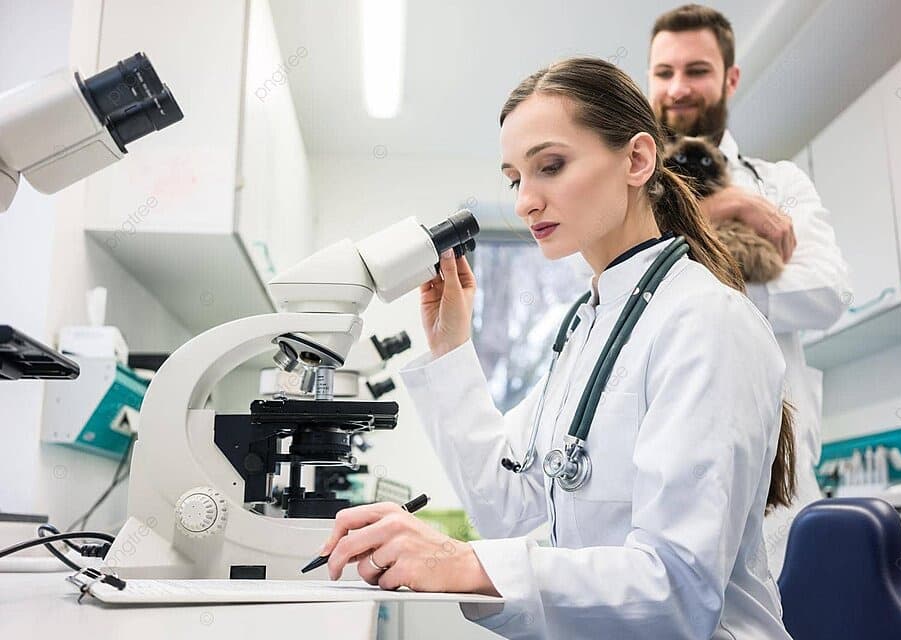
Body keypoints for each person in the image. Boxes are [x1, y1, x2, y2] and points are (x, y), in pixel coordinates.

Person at [317, 57, 796, 639]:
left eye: (551, 166)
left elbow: (676, 589)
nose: (525, 202)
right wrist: (450, 350)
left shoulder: (706, 321)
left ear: (637, 160)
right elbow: (509, 511)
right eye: (515, 179)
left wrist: (460, 562)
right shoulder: (588, 328)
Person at [647, 4, 849, 576]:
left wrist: (705, 284)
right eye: (664, 72)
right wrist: (722, 208)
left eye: (697, 70)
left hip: (776, 493)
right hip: (660, 475)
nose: (678, 88)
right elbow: (621, 285)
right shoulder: (626, 191)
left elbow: (827, 290)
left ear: (730, 78)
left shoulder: (779, 183)